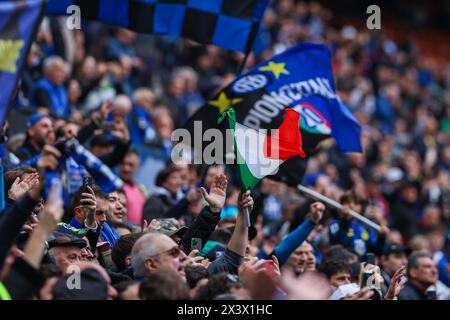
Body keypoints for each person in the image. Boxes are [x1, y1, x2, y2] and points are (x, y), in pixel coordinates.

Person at [118, 150, 147, 226]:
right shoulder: (113, 186)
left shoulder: (141, 189)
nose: (126, 168)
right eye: (123, 163)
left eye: (131, 165)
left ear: (138, 166)